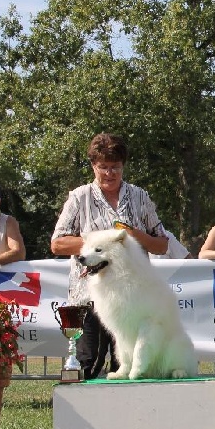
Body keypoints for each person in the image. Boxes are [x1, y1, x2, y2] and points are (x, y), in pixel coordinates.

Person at [51, 133, 169, 379]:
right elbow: (58, 244)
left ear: (123, 165)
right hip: (89, 296)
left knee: (126, 365)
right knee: (87, 363)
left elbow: (161, 245)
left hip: (132, 299)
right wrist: (100, 242)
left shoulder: (139, 197)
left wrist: (135, 235)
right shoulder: (79, 197)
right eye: (102, 167)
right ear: (93, 166)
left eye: (115, 167)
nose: (109, 173)